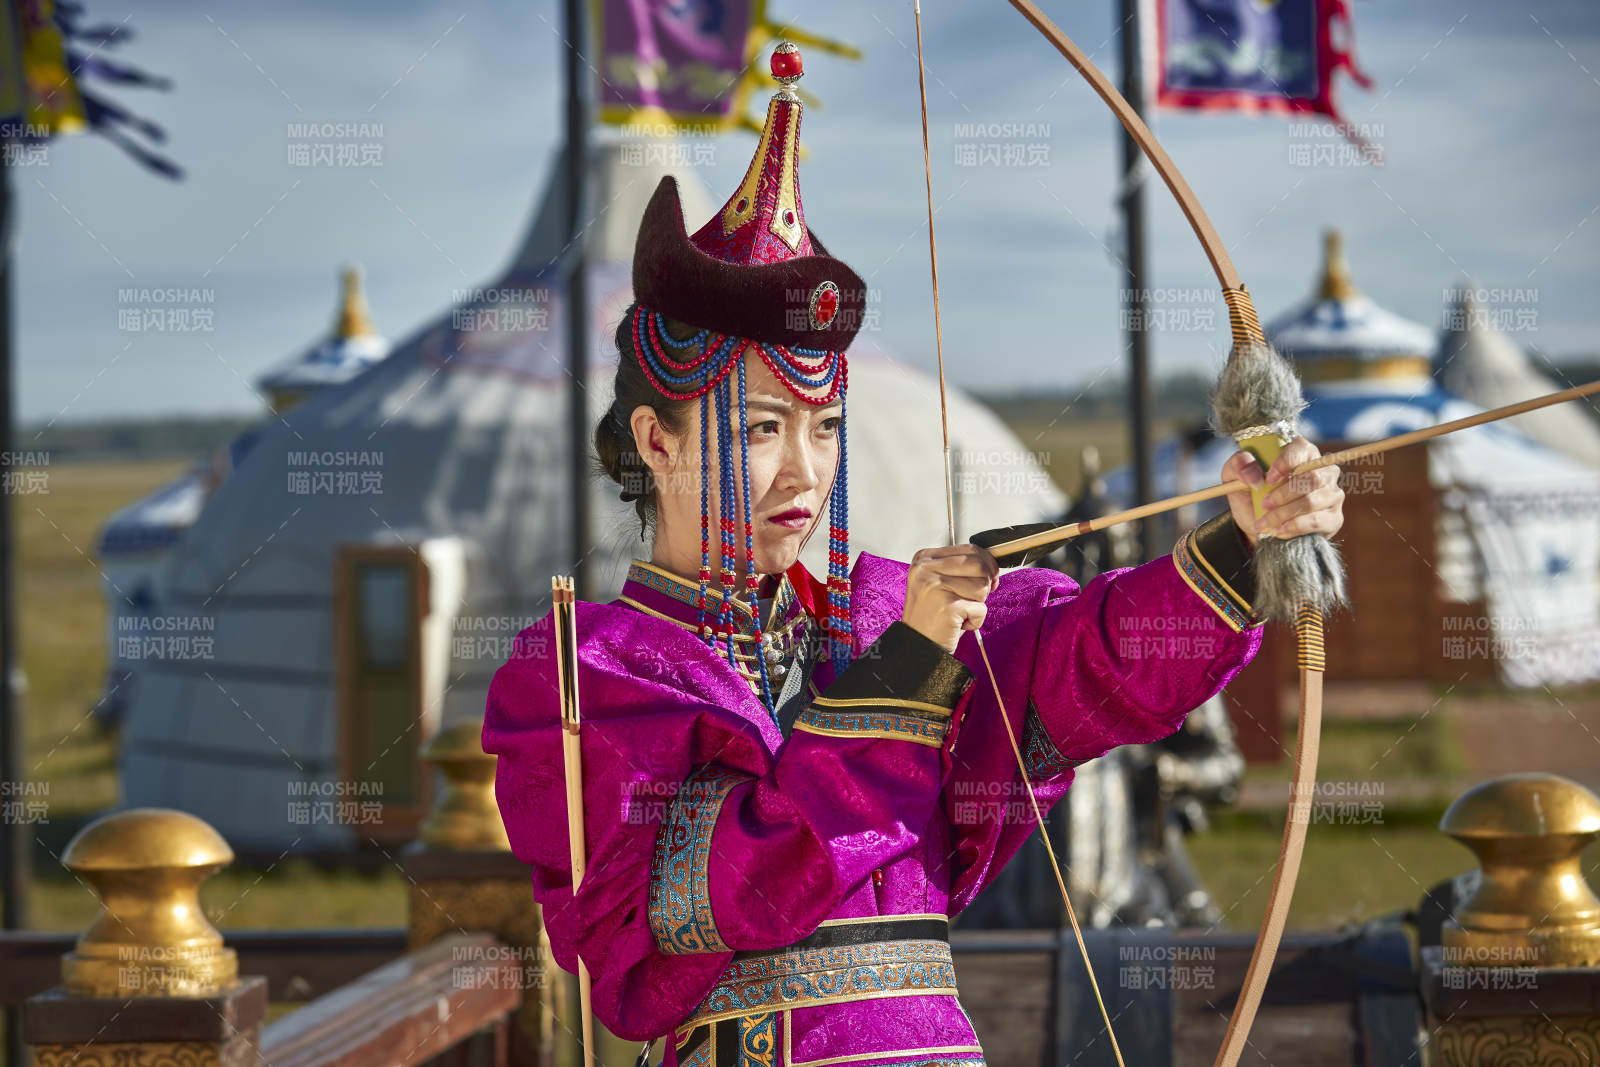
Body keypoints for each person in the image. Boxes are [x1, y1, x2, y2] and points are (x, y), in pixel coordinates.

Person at [481, 41, 1346, 1067]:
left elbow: (1089, 659)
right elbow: (729, 887)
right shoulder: (585, 675)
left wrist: (1247, 536)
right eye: (760, 430)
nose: (802, 471)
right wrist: (908, 670)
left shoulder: (882, 610)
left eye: (824, 428)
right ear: (657, 440)